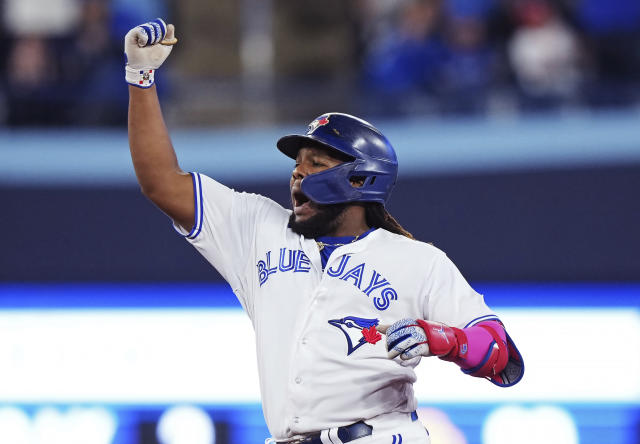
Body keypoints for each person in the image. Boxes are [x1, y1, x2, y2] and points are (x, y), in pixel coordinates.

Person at [125, 19, 524, 444]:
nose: (299, 172)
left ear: (359, 180)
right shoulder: (260, 229)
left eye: (316, 163)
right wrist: (140, 78)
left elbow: (503, 357)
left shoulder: (417, 261)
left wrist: (443, 338)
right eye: (297, 163)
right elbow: (161, 182)